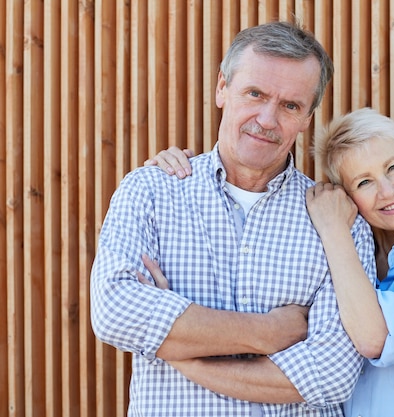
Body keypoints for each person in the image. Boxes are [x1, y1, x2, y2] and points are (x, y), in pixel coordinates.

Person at [90, 21, 377, 417]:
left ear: (308, 116)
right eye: (254, 93)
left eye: (290, 105)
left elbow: (330, 375)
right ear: (222, 87)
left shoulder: (337, 221)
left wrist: (176, 348)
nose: (267, 119)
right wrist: (269, 333)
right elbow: (115, 312)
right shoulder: (152, 191)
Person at [150, 108, 394, 416]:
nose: (387, 190)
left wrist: (333, 230)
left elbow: (376, 338)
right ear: (346, 195)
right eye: (364, 182)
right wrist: (179, 171)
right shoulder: (350, 260)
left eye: (393, 167)